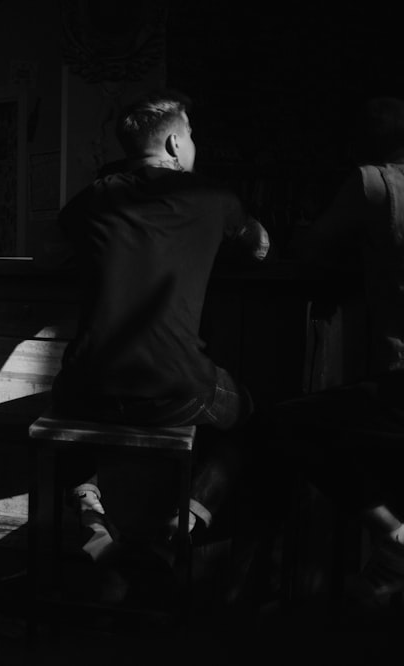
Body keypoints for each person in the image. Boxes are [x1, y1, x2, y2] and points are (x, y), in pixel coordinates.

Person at [47, 89, 270, 561]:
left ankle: (90, 508)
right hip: (175, 390)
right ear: (172, 144)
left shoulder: (91, 199)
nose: (194, 144)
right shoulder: (211, 198)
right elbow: (259, 248)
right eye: (190, 135)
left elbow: (53, 251)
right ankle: (186, 519)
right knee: (252, 417)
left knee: (62, 405)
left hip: (86, 389)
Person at [259, 96, 404, 602]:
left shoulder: (375, 181)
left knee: (288, 422)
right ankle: (389, 566)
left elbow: (311, 248)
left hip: (399, 384)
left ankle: (393, 538)